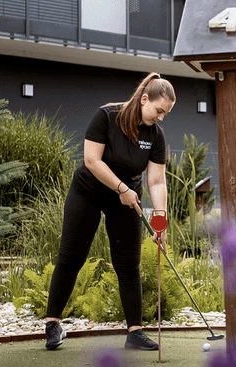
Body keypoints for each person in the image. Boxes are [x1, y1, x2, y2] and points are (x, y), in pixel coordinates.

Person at [44, 72, 175, 351]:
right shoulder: (106, 115)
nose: (161, 117)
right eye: (159, 111)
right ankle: (52, 324)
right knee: (71, 258)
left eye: (166, 113)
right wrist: (121, 188)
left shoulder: (155, 135)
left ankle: (135, 332)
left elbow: (155, 180)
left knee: (129, 265)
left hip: (127, 199)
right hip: (89, 192)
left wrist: (160, 221)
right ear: (143, 100)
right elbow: (91, 160)